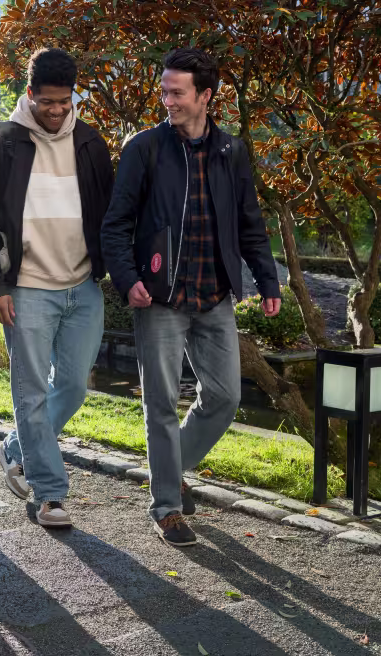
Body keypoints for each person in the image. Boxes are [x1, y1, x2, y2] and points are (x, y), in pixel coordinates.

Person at [101, 48, 282, 548]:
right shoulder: (145, 148)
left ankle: (168, 469)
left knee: (225, 397)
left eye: (177, 92)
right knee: (160, 402)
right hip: (160, 297)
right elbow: (116, 223)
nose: (167, 101)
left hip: (214, 294)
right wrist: (127, 277)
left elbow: (250, 221)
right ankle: (167, 507)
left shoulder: (231, 152)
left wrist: (267, 280)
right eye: (164, 91)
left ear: (205, 96)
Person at [0, 48, 114, 528]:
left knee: (71, 386)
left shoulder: (90, 143)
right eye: (48, 102)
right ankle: (50, 494)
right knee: (30, 393)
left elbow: (110, 214)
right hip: (25, 289)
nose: (56, 111)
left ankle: (15, 446)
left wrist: (111, 268)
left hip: (82, 285)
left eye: (65, 102)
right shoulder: (2, 143)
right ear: (30, 95)